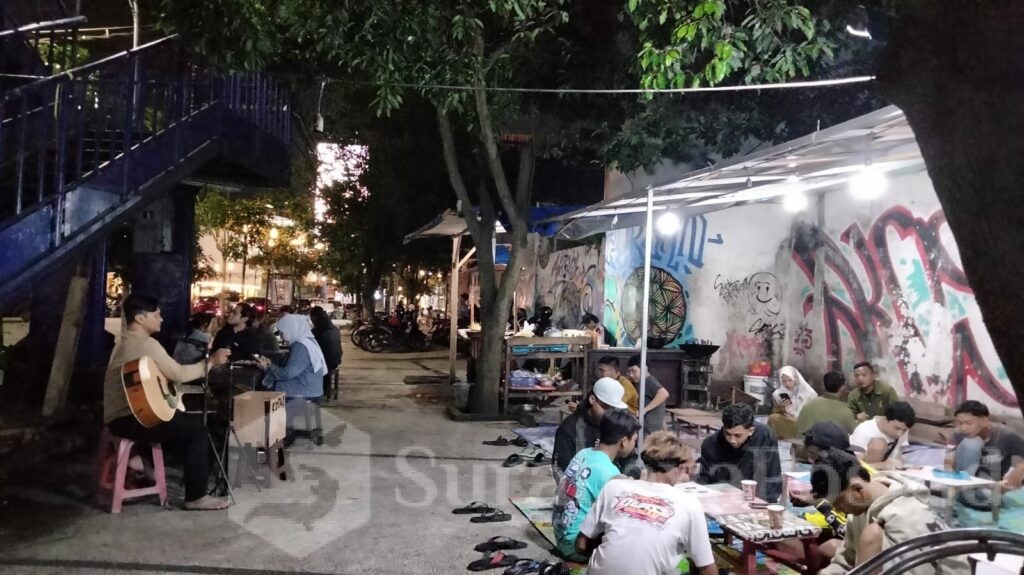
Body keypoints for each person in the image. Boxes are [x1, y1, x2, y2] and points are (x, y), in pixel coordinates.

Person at [104, 294, 231, 510]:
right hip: (132, 419)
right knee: (197, 432)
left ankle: (143, 465)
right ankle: (196, 497)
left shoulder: (123, 343)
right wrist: (211, 362)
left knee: (175, 419)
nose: (161, 319)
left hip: (119, 418)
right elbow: (179, 373)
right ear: (140, 319)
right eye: (157, 315)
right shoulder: (147, 344)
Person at [577, 431, 716, 575]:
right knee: (686, 565)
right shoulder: (689, 503)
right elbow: (707, 569)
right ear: (680, 468)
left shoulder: (614, 486)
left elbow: (581, 543)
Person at [812, 449, 970, 575]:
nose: (838, 510)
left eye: (839, 503)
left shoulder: (907, 516)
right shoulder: (859, 513)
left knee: (872, 535)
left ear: (857, 489)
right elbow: (846, 560)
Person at [552, 409, 639, 559]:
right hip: (575, 547)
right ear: (624, 442)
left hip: (561, 535)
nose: (634, 444)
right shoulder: (608, 472)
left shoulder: (585, 453)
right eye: (634, 440)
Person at [695, 403, 782, 502]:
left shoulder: (765, 436)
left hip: (754, 495)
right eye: (728, 434)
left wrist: (762, 506)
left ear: (751, 431)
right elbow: (705, 480)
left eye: (737, 436)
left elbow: (771, 476)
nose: (732, 440)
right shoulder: (711, 444)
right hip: (723, 496)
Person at [951, 400, 1024, 510]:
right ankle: (964, 493)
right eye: (960, 423)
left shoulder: (1006, 435)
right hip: (966, 482)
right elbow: (948, 464)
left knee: (991, 499)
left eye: (968, 423)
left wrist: (1020, 469)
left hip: (992, 484)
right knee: (971, 443)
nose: (963, 428)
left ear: (984, 420)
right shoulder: (958, 434)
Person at [553, 378, 628, 480]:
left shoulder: (615, 424)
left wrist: (628, 478)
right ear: (592, 399)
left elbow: (630, 456)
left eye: (613, 408)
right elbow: (561, 465)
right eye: (605, 407)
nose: (608, 413)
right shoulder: (570, 427)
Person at [257, 314, 327, 400]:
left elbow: (288, 373)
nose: (281, 336)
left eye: (282, 332)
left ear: (291, 329)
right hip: (309, 389)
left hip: (303, 391)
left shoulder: (301, 346)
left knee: (261, 390)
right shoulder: (307, 341)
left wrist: (267, 368)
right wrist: (271, 363)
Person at [849, 401, 915, 467]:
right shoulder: (864, 430)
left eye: (904, 430)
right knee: (879, 445)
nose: (900, 434)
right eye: (896, 428)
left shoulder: (902, 428)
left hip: (885, 468)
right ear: (885, 419)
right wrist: (883, 465)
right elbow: (855, 466)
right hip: (860, 468)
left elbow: (900, 453)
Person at [796, 371, 858, 436]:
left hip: (804, 445)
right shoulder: (845, 411)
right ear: (842, 388)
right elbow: (856, 433)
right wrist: (861, 421)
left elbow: (799, 431)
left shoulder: (808, 405)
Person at [768, 365, 818, 439]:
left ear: (795, 379)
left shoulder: (810, 393)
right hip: (789, 420)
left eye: (789, 380)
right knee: (773, 418)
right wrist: (782, 407)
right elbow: (775, 412)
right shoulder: (778, 394)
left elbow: (812, 413)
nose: (787, 384)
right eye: (784, 382)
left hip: (803, 421)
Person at [626, 354, 669, 433]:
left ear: (644, 368)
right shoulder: (641, 382)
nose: (631, 375)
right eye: (629, 372)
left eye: (634, 371)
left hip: (650, 429)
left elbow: (664, 394)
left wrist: (644, 410)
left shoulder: (648, 381)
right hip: (648, 427)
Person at [310, 306, 342, 393]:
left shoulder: (319, 330)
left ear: (314, 317)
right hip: (336, 359)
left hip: (327, 362)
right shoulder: (333, 327)